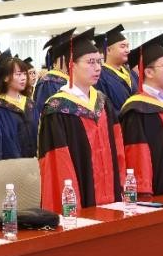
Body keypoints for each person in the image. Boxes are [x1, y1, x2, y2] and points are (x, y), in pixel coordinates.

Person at [37, 29, 124, 211]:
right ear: (72, 65)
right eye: (90, 62)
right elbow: (58, 163)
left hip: (112, 197)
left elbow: (117, 148)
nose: (98, 68)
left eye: (99, 61)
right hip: (79, 200)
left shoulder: (103, 102)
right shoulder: (57, 109)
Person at [119, 35, 163, 197]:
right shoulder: (137, 109)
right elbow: (137, 155)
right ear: (149, 72)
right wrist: (143, 192)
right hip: (154, 197)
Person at [0, 51, 36, 159]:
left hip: (35, 162)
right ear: (5, 78)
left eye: (24, 74)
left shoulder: (30, 104)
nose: (23, 78)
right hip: (13, 164)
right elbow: (5, 143)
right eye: (18, 74)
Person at [96, 24, 138, 110]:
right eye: (123, 46)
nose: (127, 50)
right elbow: (105, 108)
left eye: (128, 46)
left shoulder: (130, 72)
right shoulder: (100, 76)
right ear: (108, 50)